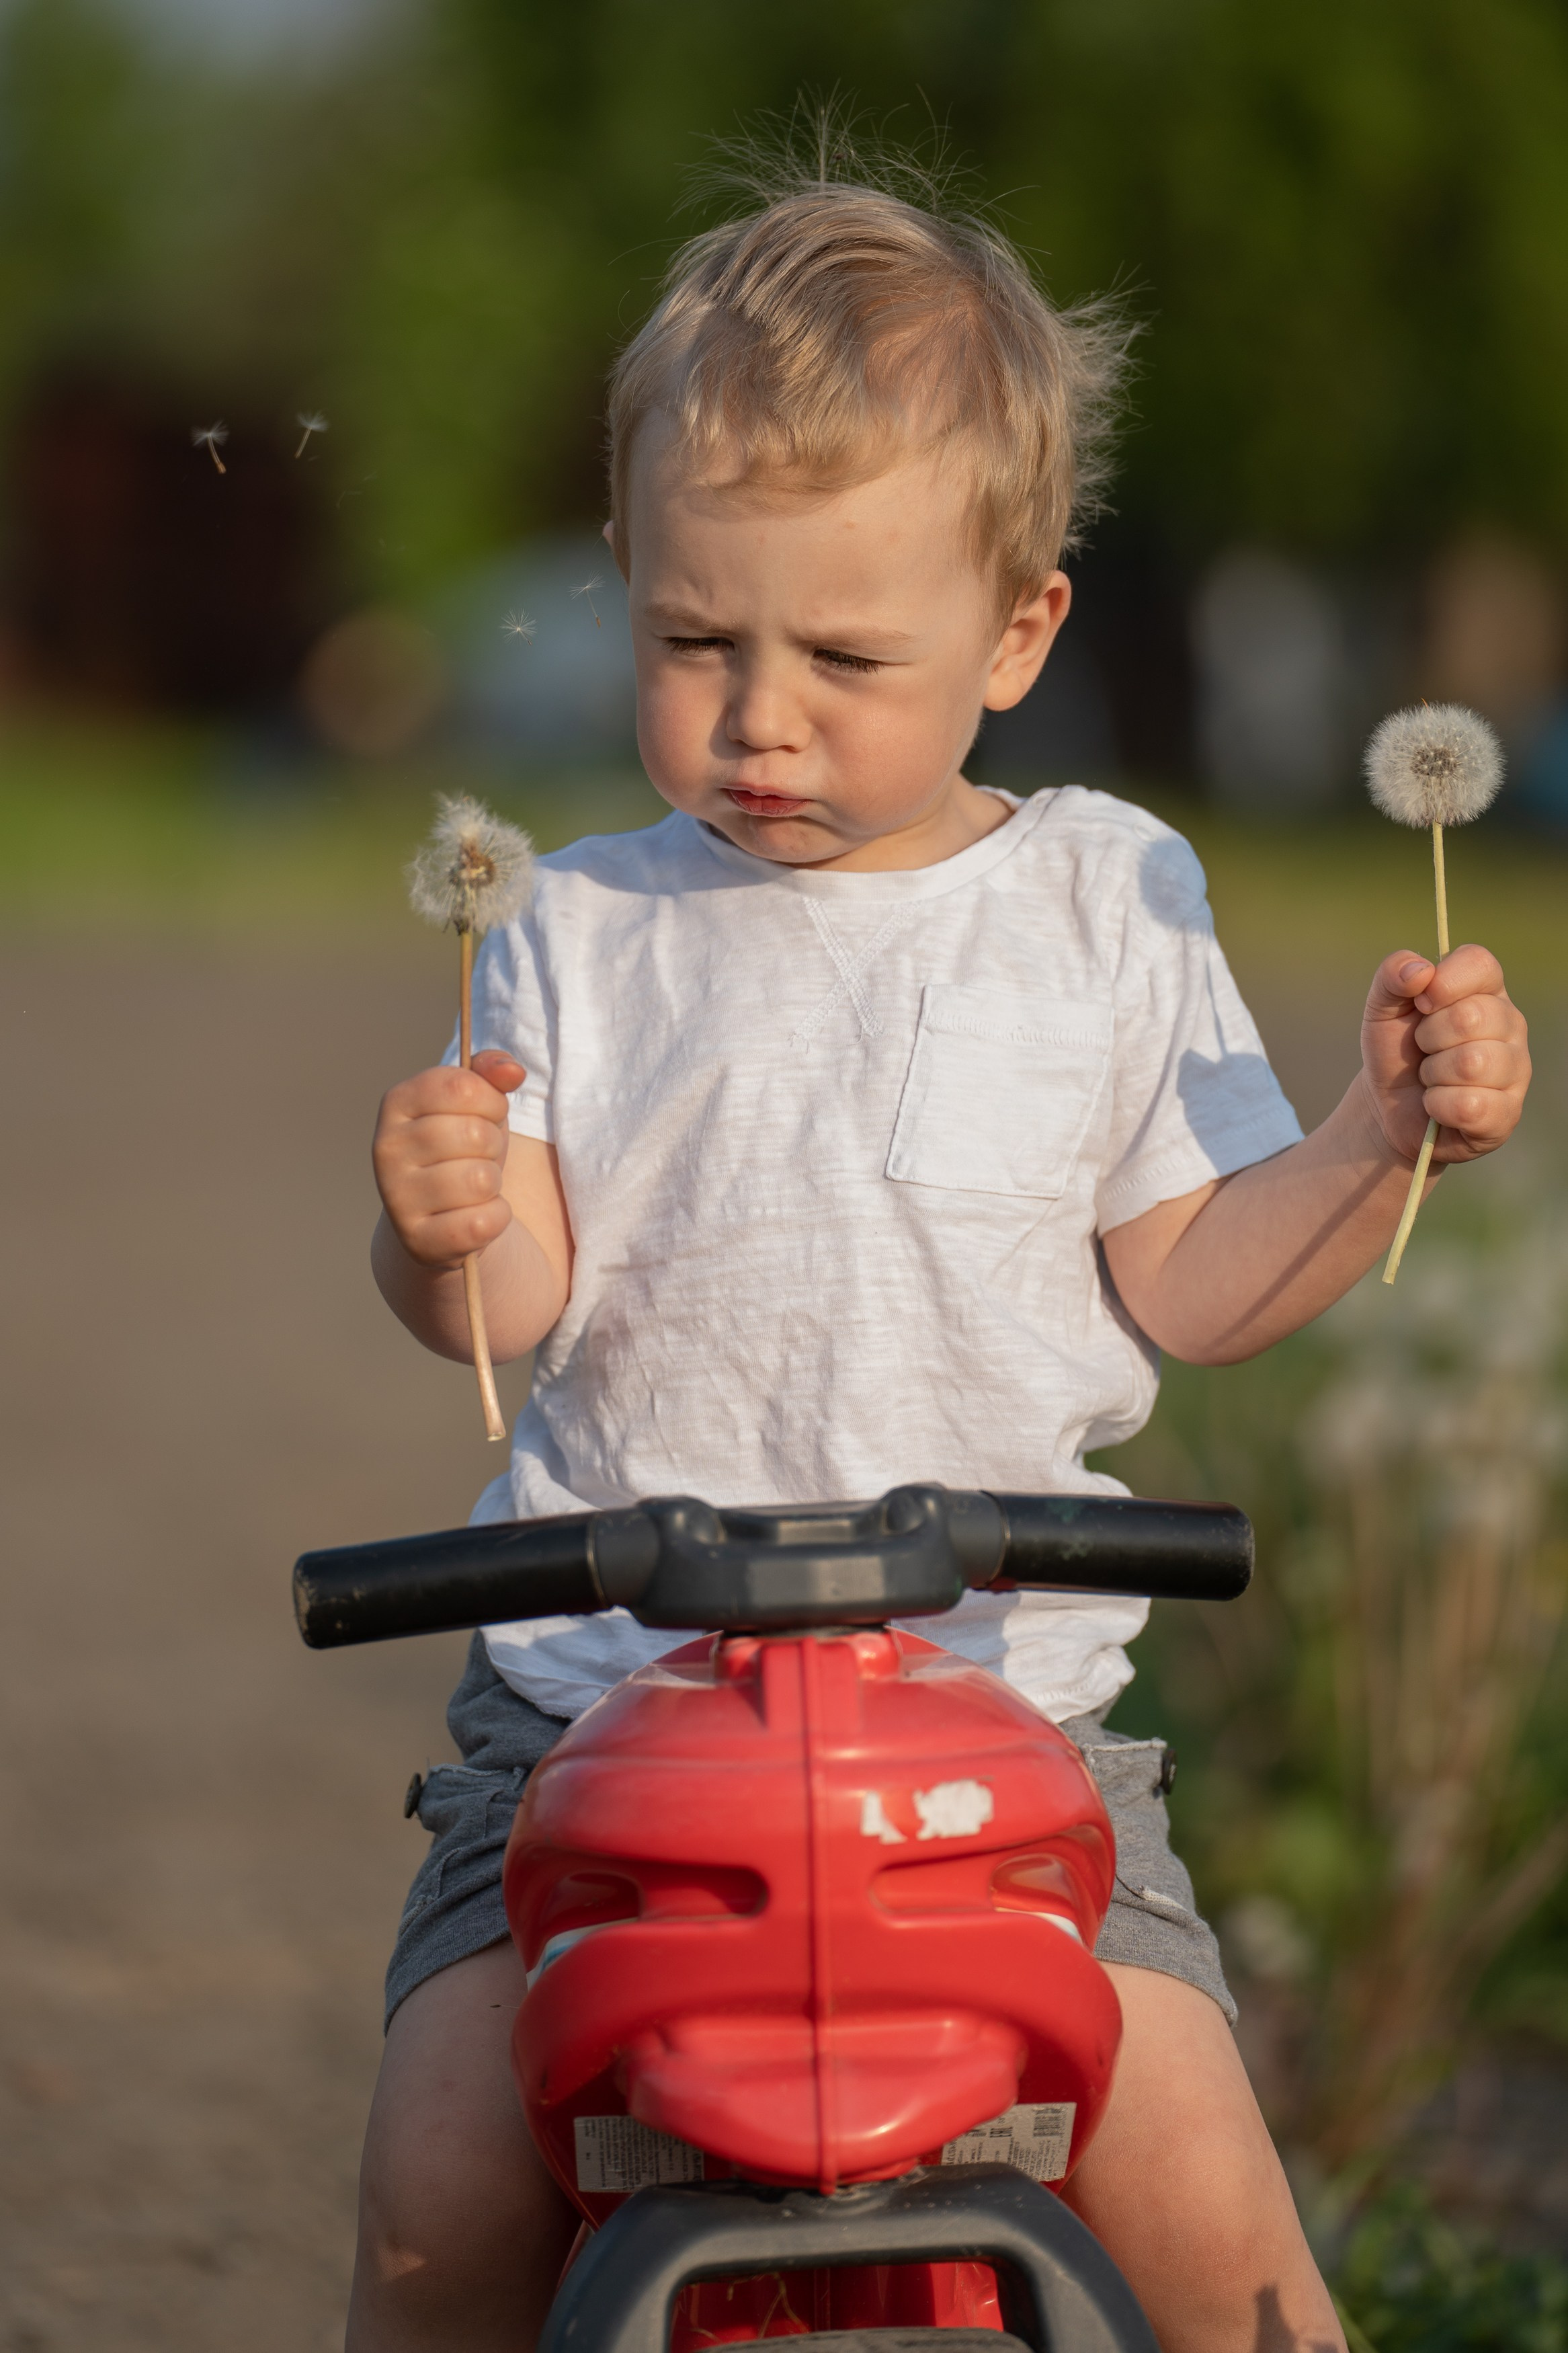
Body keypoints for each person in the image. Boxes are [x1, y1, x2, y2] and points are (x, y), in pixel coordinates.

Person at [351, 166, 1531, 2353]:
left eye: (844, 657)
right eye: (695, 642)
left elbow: (1187, 1271)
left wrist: (1384, 1141)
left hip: (1007, 1732)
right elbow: (506, 1317)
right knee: (443, 2172)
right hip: (600, 1725)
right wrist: (441, 1223)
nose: (760, 720)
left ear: (1017, 635)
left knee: (1192, 2163)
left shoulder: (1106, 899)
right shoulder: (575, 924)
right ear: (624, 583)